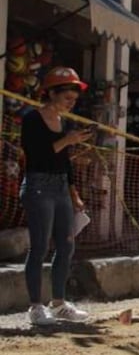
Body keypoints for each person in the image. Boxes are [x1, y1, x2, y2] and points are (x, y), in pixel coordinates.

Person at [20, 67, 94, 326]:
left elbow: (65, 162)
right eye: (67, 99)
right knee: (39, 247)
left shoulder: (66, 123)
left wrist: (74, 194)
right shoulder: (32, 119)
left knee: (66, 245)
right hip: (39, 187)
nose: (71, 103)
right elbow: (37, 155)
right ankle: (35, 306)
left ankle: (60, 303)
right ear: (51, 93)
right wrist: (67, 140)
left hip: (61, 187)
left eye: (74, 99)